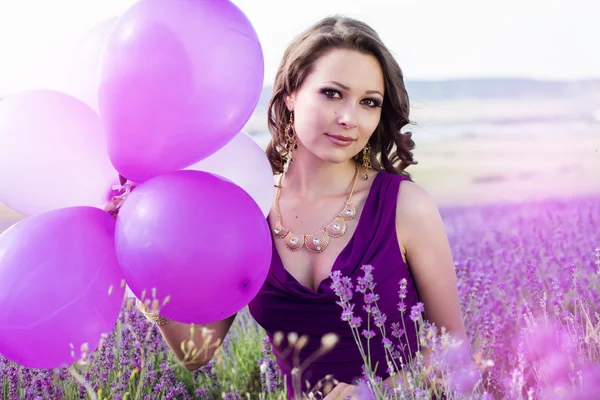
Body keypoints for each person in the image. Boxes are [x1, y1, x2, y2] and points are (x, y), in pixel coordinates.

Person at [131, 15, 467, 400]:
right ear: (290, 93)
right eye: (332, 93)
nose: (348, 118)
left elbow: (454, 355)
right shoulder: (248, 206)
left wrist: (375, 394)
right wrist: (144, 264)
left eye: (369, 102)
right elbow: (197, 351)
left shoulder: (406, 208)